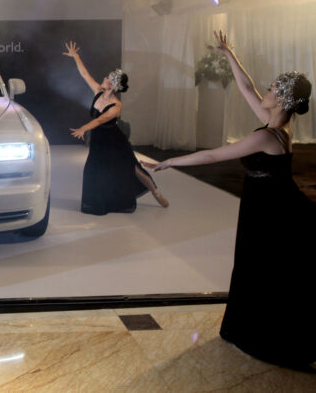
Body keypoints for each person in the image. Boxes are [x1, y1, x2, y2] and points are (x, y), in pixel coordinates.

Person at [143, 31, 315, 370]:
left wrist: (171, 161)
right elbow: (247, 88)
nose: (263, 91)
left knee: (264, 271)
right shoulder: (275, 124)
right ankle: (248, 329)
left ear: (281, 100)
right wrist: (230, 55)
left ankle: (270, 339)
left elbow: (213, 156)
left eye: (271, 89)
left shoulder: (268, 135)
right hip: (265, 205)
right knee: (256, 268)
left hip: (274, 211)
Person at [64, 40, 169, 214]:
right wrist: (76, 56)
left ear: (113, 85)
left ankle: (155, 191)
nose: (104, 78)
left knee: (134, 169)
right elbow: (84, 74)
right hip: (100, 141)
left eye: (108, 78)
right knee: (93, 170)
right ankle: (96, 203)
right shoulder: (98, 91)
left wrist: (83, 128)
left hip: (115, 142)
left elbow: (99, 121)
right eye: (106, 76)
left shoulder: (116, 106)